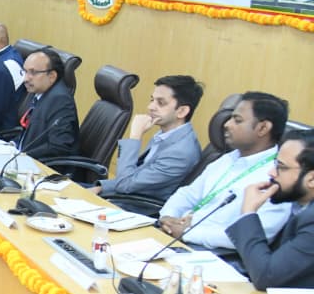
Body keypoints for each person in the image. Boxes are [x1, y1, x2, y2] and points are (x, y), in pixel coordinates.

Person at [160, 92, 290, 249]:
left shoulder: (277, 177)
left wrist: (188, 232)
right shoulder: (228, 158)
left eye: (237, 120)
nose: (227, 124)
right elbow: (188, 194)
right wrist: (168, 216)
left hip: (212, 252)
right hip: (178, 236)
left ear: (263, 128)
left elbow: (255, 235)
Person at [88, 76, 203, 208]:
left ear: (182, 111)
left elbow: (124, 184)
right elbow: (136, 176)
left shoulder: (181, 152)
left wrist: (135, 136)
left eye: (161, 103)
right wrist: (101, 187)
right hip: (123, 196)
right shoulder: (166, 135)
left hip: (136, 208)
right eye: (152, 100)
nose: (150, 107)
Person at [230, 129, 314, 290]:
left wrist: (248, 212)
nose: (271, 173)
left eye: (281, 167)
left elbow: (266, 276)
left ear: (312, 179)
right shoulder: (298, 206)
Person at [15, 49, 80, 160]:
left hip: (44, 166)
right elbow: (28, 132)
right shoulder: (37, 91)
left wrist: (22, 155)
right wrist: (12, 145)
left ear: (52, 76)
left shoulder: (60, 100)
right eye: (25, 71)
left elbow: (58, 146)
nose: (26, 78)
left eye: (33, 72)